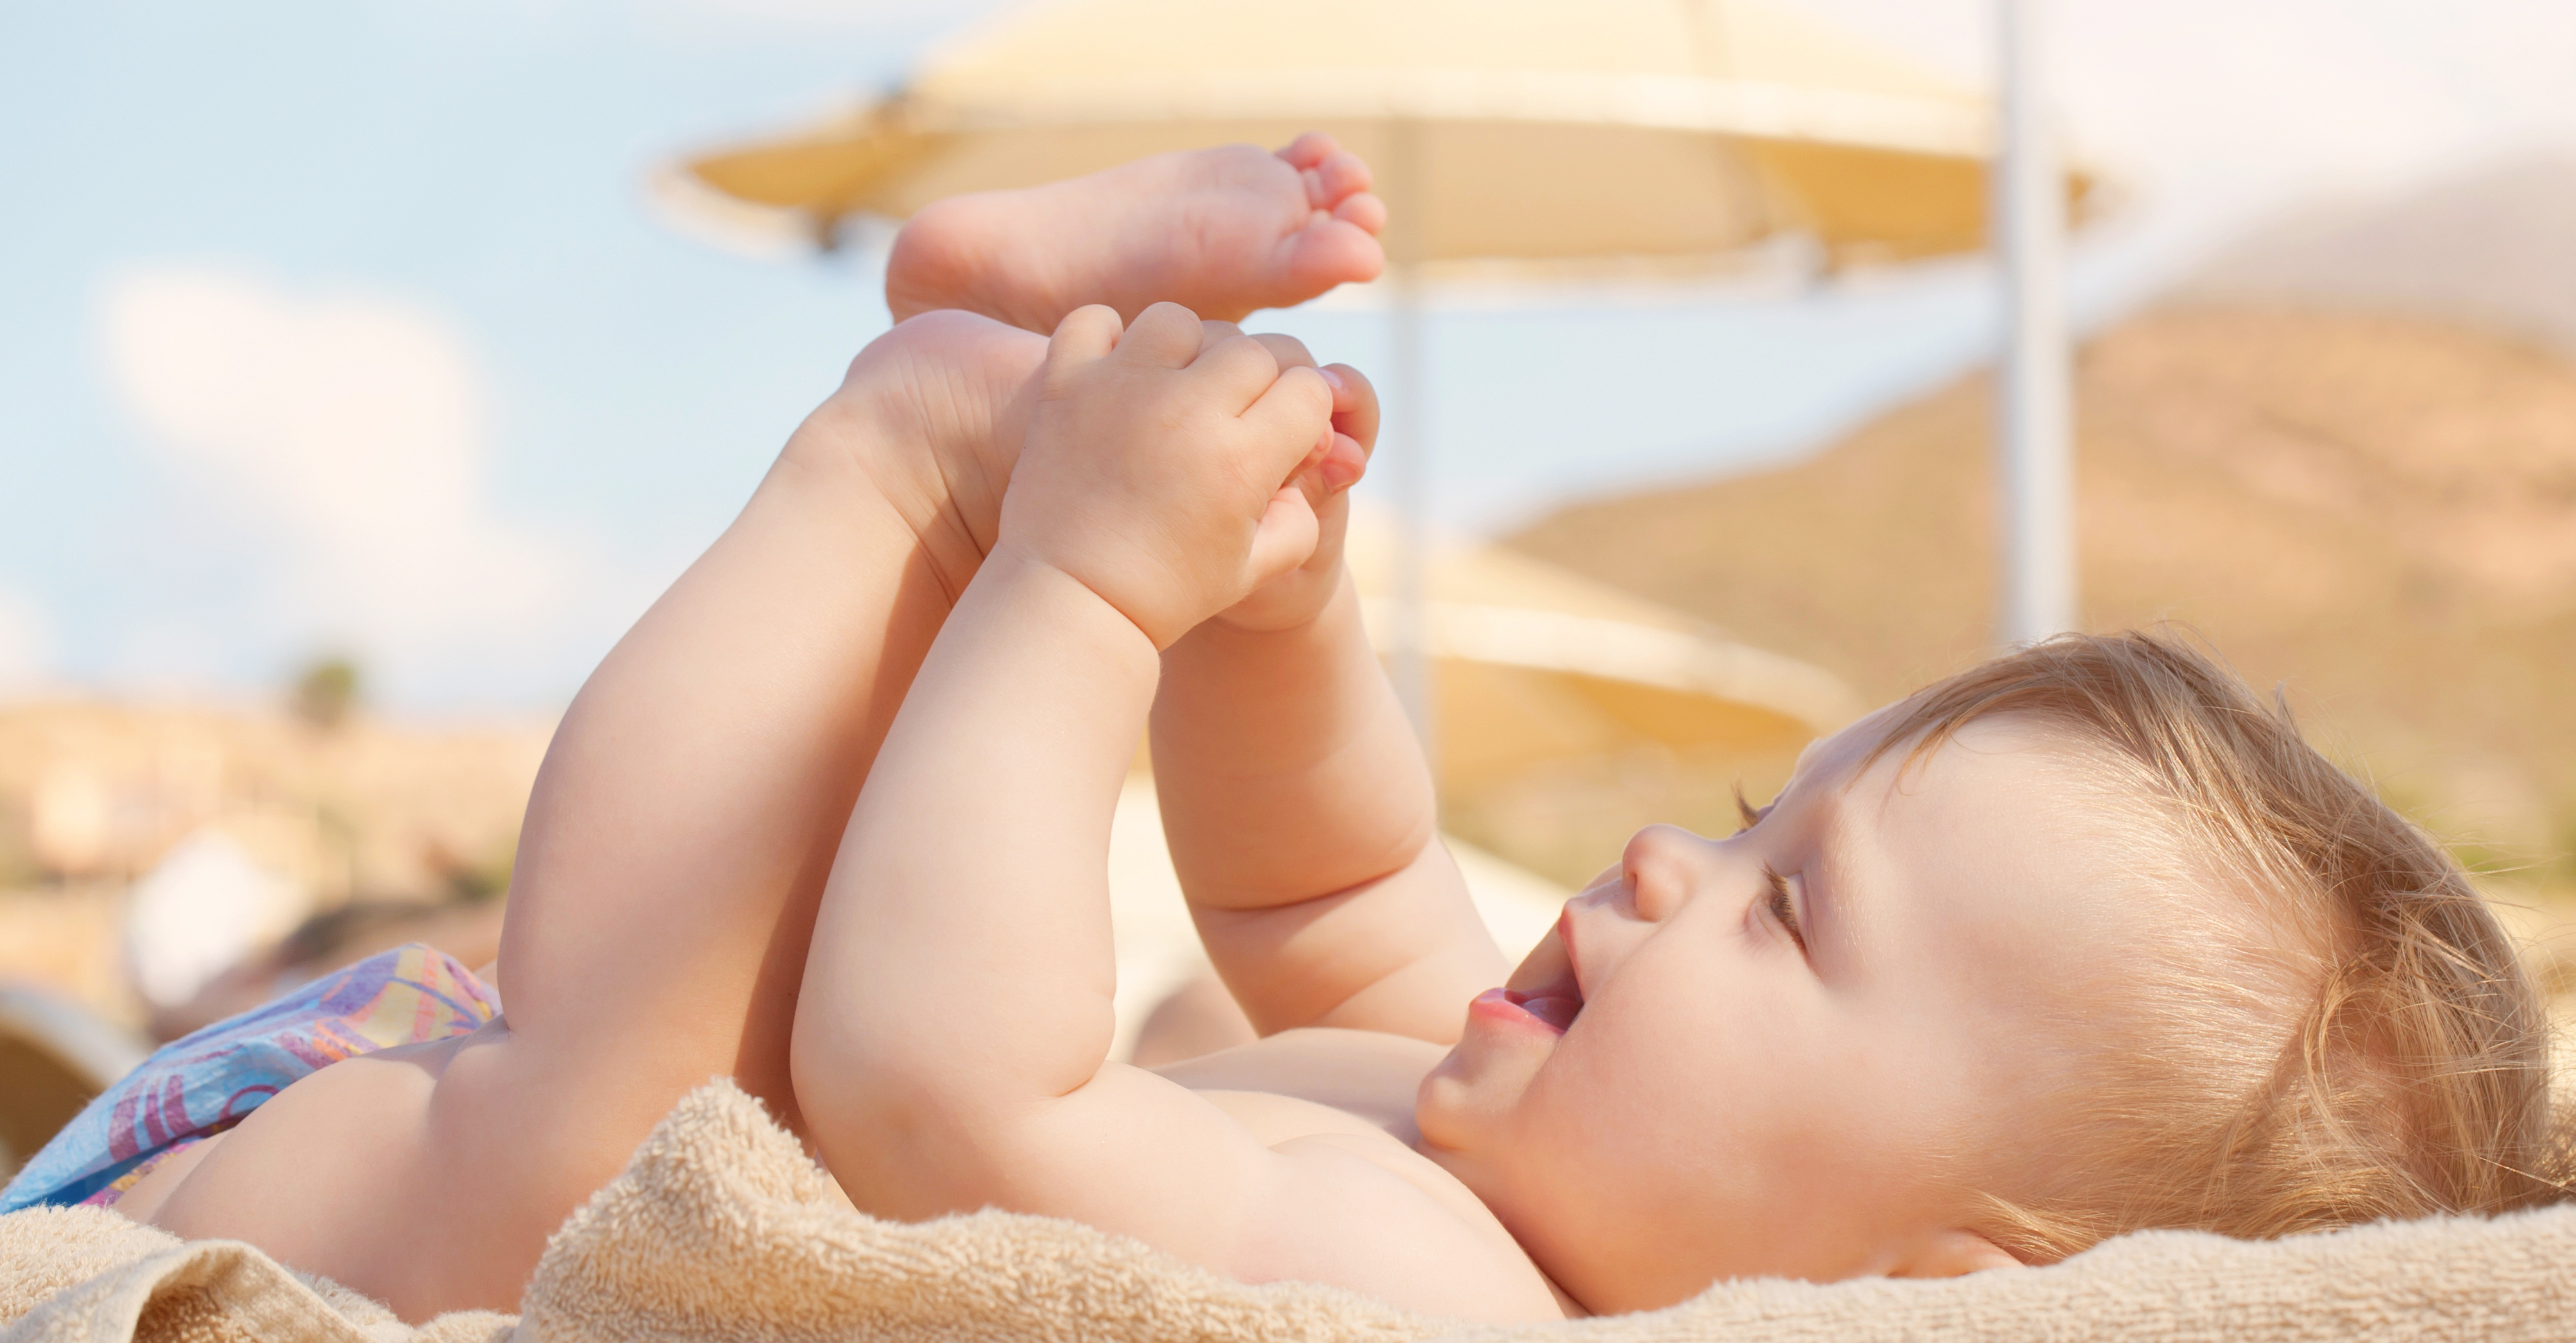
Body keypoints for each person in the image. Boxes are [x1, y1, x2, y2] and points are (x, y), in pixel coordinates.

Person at [14, 136, 2560, 1324]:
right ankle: (984, 391)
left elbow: (941, 1089)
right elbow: (1321, 890)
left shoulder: (1435, 1291)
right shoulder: (1478, 1132)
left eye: (1792, 905)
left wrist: (1096, 575)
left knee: (612, 1119)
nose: (1672, 863)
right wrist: (1273, 609)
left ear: (1910, 1281)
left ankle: (927, 424)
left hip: (363, 1188)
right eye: (1749, 812)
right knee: (646, 1061)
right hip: (400, 1075)